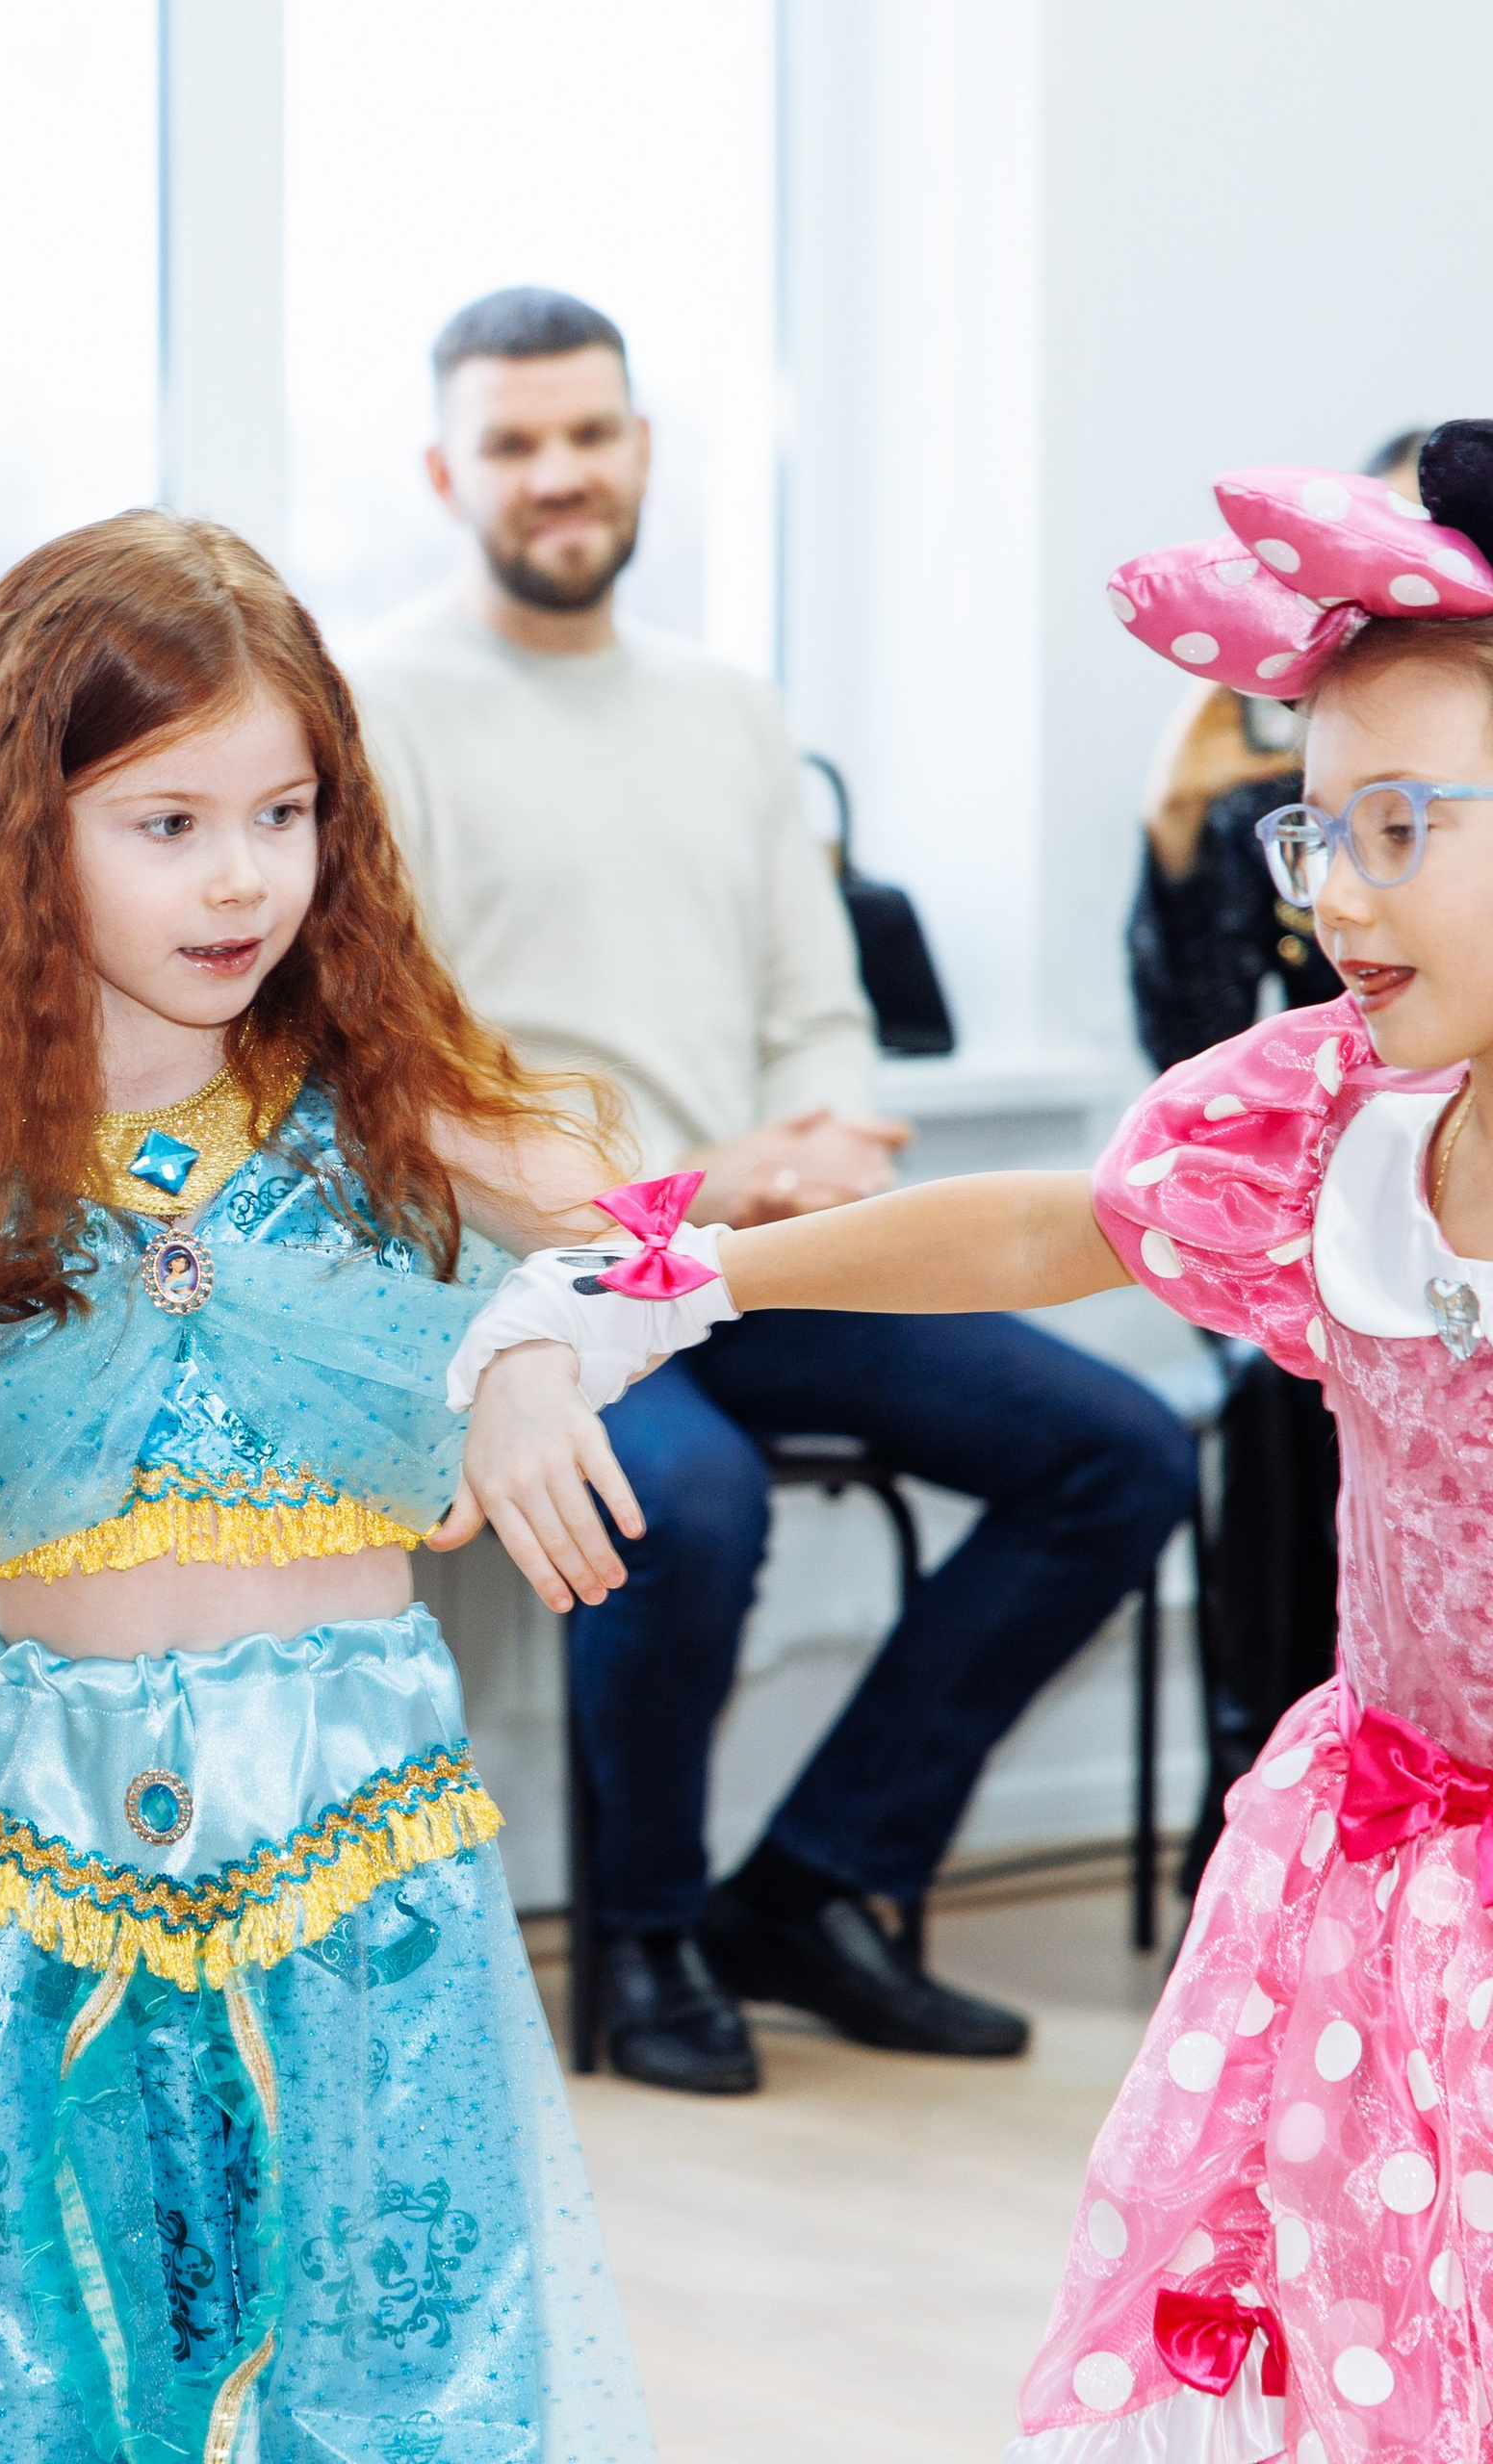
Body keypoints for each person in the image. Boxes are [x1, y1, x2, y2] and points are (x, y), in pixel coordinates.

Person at [453, 422, 1493, 2460]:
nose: (1334, 902)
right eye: (1309, 838)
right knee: (1368, 2346)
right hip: (1384, 1879)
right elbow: (1047, 1221)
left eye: (1397, 826)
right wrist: (683, 1275)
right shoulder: (1329, 1115)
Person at [0, 511, 658, 2459]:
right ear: (24, 832)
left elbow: (664, 1251)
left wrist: (522, 1350)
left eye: (280, 811)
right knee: (34, 2351)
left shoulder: (389, 1093)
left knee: (396, 2346)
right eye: (164, 822)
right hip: (45, 1857)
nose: (238, 874)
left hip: (361, 1851)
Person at [347, 287, 1197, 2096]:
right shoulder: (375, 714)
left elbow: (821, 1012)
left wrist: (810, 1160)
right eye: (513, 444)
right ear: (447, 473)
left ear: (644, 447)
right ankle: (646, 1939)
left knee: (1122, 1452)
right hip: (527, 1289)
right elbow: (394, 1078)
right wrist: (676, 1193)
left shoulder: (731, 710)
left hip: (747, 1262)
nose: (559, 475)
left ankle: (811, 1888)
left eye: (590, 433)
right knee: (695, 1506)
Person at [1128, 428, 1426, 1891]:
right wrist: (1182, 844)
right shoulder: (1292, 830)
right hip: (1319, 1236)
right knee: (1274, 1389)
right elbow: (1183, 1052)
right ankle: (1252, 1749)